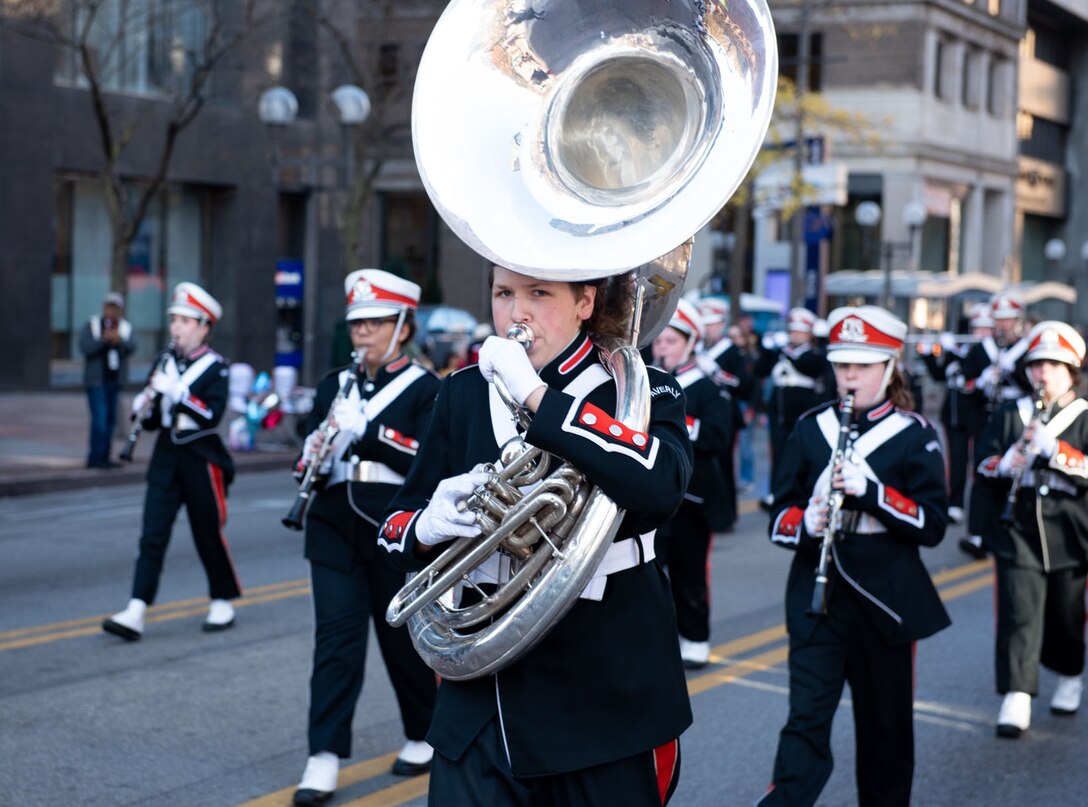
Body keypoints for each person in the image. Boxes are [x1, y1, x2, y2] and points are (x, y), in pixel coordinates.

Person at [378, 266, 693, 806]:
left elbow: (661, 482)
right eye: (504, 293)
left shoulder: (641, 388)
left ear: (585, 302)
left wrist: (536, 397)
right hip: (483, 703)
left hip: (604, 693)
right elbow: (392, 529)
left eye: (538, 294)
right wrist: (426, 527)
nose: (516, 312)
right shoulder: (464, 392)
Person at [759, 305, 950, 807]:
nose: (848, 375)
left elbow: (932, 526)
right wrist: (807, 522)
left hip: (884, 602)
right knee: (804, 721)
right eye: (842, 363)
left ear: (888, 368)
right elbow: (779, 514)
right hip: (816, 600)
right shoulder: (810, 428)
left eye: (862, 365)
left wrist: (873, 492)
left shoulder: (914, 434)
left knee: (885, 729)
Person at [291, 270, 441, 806]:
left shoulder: (428, 389)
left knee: (401, 640)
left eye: (375, 322)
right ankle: (323, 755)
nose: (363, 333)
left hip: (392, 528)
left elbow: (429, 462)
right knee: (335, 642)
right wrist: (311, 452)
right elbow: (307, 444)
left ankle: (424, 732)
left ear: (402, 326)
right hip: (332, 523)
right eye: (357, 323)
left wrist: (371, 435)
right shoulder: (336, 383)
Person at [971, 320, 1088, 738]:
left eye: (1054, 365)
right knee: (1020, 611)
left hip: (1072, 532)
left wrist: (1057, 452)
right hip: (1017, 527)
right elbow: (981, 463)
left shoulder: (1084, 416)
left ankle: (1070, 673)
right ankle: (1017, 693)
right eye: (1038, 364)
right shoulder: (1010, 414)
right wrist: (1005, 463)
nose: (1043, 373)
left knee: (1066, 613)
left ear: (1071, 371)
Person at [102, 282, 239, 640]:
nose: (176, 328)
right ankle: (136, 608)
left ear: (205, 327)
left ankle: (222, 598)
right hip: (166, 455)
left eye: (186, 321)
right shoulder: (164, 362)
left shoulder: (216, 368)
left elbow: (211, 415)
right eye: (174, 320)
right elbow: (152, 420)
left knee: (207, 532)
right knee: (152, 534)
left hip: (201, 457)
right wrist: (143, 407)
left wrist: (178, 392)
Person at [653, 299, 735, 668]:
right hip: (652, 493)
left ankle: (695, 636)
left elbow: (719, 435)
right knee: (648, 572)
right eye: (660, 341)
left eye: (671, 341)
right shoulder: (648, 381)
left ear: (690, 343)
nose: (662, 348)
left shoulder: (706, 386)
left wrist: (670, 423)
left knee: (690, 574)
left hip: (694, 496)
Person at [961, 292, 1033, 558]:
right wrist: (981, 380)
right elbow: (964, 384)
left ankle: (1007, 526)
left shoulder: (1026, 350)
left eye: (1008, 319)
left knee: (1014, 472)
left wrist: (1013, 370)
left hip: (1013, 418)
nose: (1003, 325)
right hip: (985, 416)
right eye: (999, 320)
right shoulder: (982, 349)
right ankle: (977, 534)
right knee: (983, 471)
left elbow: (1035, 386)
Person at [919, 304, 992, 532]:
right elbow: (939, 375)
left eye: (984, 328)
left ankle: (980, 509)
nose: (979, 332)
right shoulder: (958, 348)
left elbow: (975, 372)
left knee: (979, 461)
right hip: (953, 415)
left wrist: (963, 354)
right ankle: (956, 505)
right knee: (957, 461)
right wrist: (929, 354)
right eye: (976, 328)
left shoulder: (987, 351)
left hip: (978, 415)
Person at [754, 307, 829, 508]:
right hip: (778, 413)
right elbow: (760, 370)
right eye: (793, 330)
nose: (795, 335)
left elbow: (809, 367)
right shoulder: (780, 351)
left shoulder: (813, 354)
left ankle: (800, 491)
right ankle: (775, 491)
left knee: (800, 453)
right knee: (778, 453)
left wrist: (787, 353)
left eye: (800, 331)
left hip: (801, 411)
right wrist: (766, 349)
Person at [698, 296, 750, 530]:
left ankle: (727, 514)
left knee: (725, 465)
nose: (709, 328)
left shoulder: (731, 351)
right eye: (706, 323)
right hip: (702, 410)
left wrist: (716, 372)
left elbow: (743, 383)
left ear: (722, 324)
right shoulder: (697, 348)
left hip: (725, 413)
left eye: (713, 323)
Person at [79, 291, 137, 468]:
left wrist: (118, 340)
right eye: (110, 307)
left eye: (116, 308)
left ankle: (104, 457)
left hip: (114, 381)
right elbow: (85, 347)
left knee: (111, 420)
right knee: (100, 419)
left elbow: (133, 346)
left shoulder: (125, 327)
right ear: (104, 308)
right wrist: (104, 340)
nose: (112, 311)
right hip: (97, 381)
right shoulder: (93, 325)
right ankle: (95, 458)